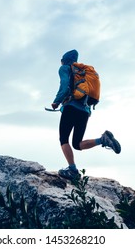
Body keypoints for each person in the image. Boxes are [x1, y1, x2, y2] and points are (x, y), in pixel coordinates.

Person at [51, 49, 121, 180]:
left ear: (64, 60)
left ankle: (72, 170)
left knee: (64, 139)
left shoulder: (65, 68)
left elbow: (64, 84)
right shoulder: (84, 72)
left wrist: (57, 101)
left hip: (71, 107)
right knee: (77, 144)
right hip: (85, 110)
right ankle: (103, 140)